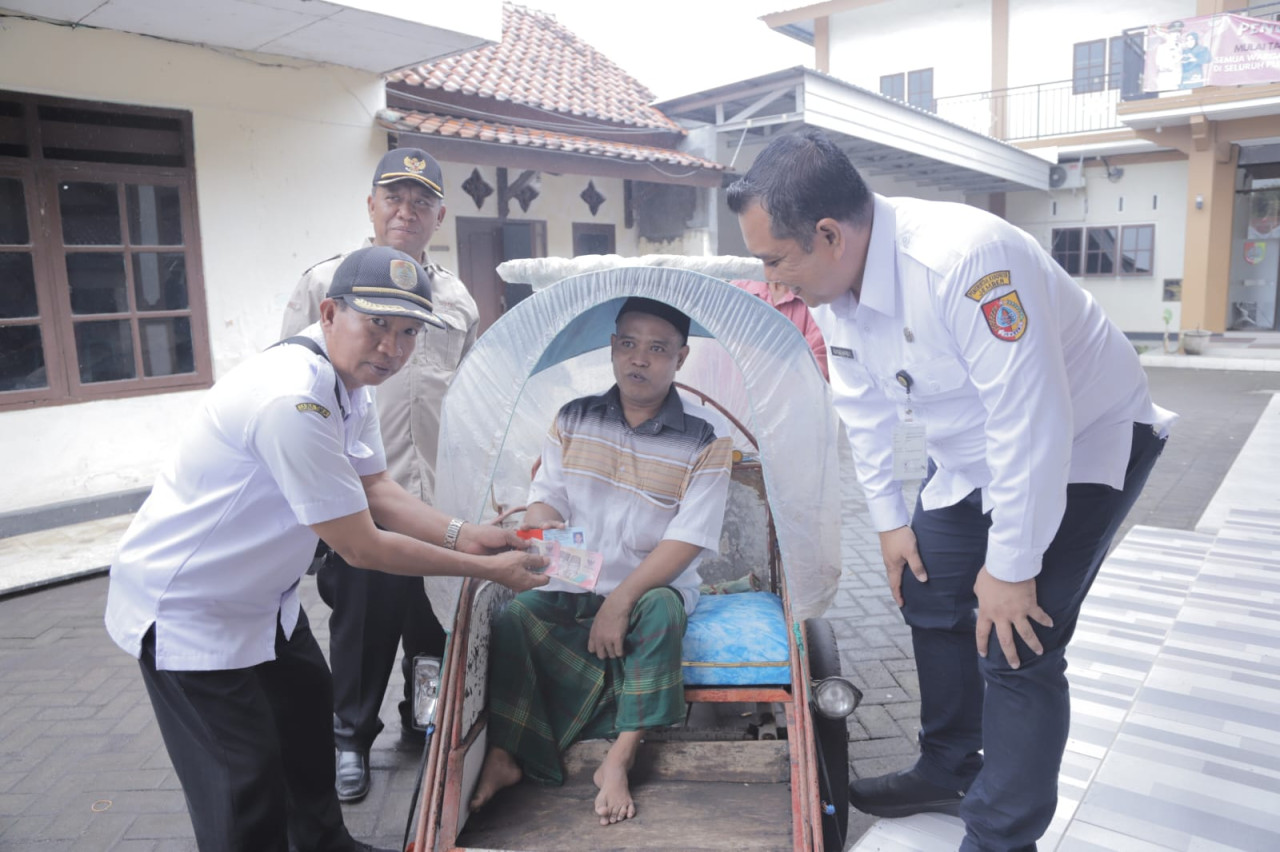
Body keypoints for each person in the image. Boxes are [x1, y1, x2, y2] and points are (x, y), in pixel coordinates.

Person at [728, 129, 1175, 852]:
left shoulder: (965, 261)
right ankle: (947, 766)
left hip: (1082, 443)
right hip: (970, 454)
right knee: (929, 589)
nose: (773, 282)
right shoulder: (836, 285)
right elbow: (863, 409)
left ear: (829, 234)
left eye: (774, 261)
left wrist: (1012, 565)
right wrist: (889, 523)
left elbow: (1033, 422)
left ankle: (1002, 834)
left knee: (1017, 640)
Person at [104, 244, 547, 852]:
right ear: (330, 311)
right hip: (192, 612)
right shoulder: (294, 400)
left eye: (409, 332)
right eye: (378, 326)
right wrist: (484, 568)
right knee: (242, 780)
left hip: (264, 603)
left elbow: (376, 486)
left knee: (306, 716)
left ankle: (323, 844)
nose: (392, 348)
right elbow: (362, 545)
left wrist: (463, 532)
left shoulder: (348, 379)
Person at [468, 297, 734, 826]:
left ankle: (620, 754)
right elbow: (550, 499)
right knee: (514, 619)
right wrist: (538, 533)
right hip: (576, 576)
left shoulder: (707, 437)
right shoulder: (573, 417)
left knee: (661, 612)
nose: (640, 359)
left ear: (680, 358)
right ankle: (506, 753)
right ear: (613, 349)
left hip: (651, 589)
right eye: (629, 344)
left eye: (658, 348)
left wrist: (620, 599)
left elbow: (688, 539)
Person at [281, 146, 480, 803]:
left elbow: (469, 393)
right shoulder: (325, 282)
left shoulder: (456, 299)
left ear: (440, 215)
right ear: (371, 205)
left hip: (433, 494)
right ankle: (349, 740)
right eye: (393, 196)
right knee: (362, 628)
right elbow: (288, 388)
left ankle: (422, 721)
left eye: (421, 201)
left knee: (431, 627)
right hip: (357, 497)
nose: (406, 210)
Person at [730, 278, 829, 379]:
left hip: (791, 390)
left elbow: (816, 368)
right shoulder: (737, 290)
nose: (770, 271)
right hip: (735, 388)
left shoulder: (815, 301)